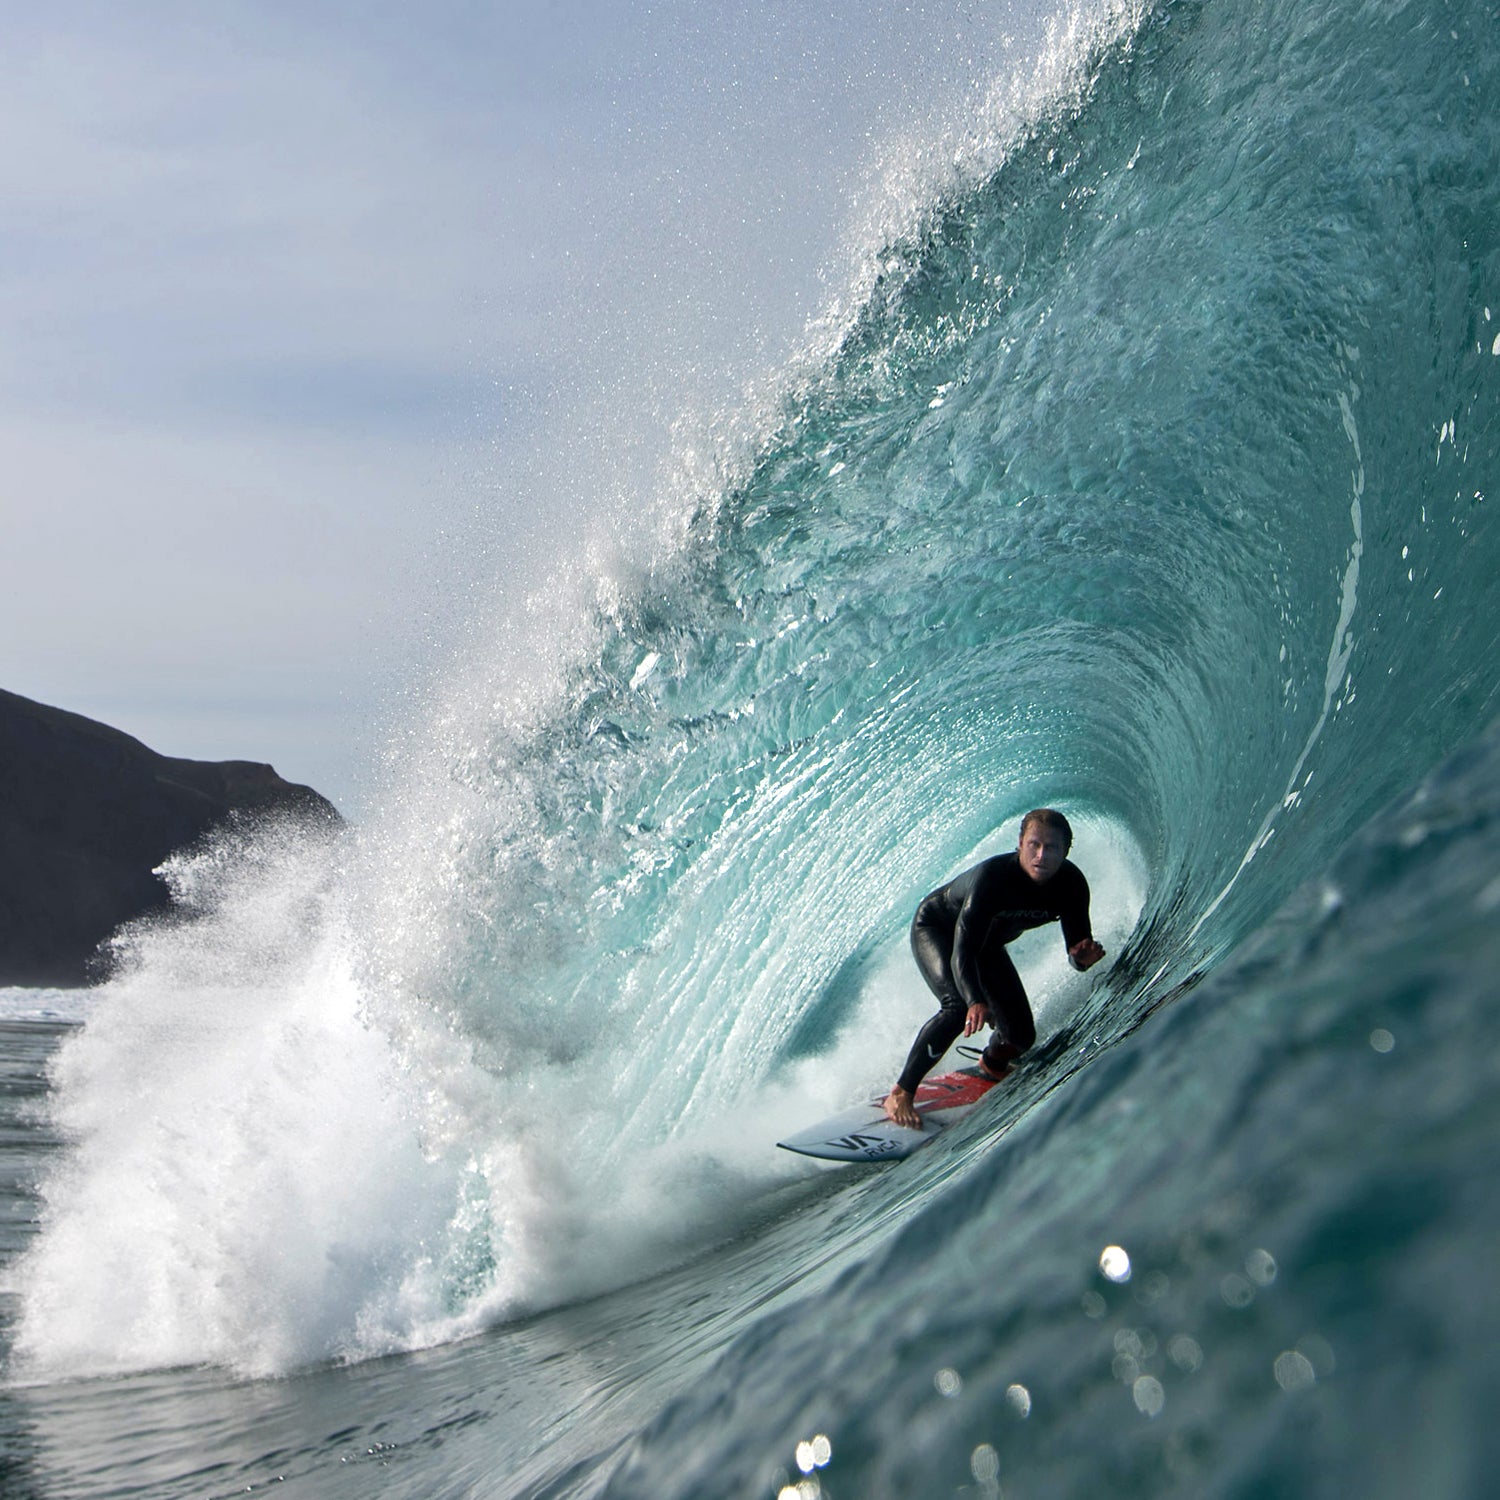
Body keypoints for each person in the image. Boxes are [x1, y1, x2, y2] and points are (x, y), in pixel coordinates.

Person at [882, 808, 1105, 1130]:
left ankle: (991, 1064)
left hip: (985, 945)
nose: (1041, 855)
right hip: (939, 930)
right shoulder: (993, 879)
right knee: (957, 1009)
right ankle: (902, 1091)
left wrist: (1081, 960)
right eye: (1034, 845)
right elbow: (963, 951)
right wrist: (975, 1000)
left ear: (1066, 850)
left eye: (1052, 847)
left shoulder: (1071, 885)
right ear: (1020, 844)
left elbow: (1077, 951)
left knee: (1020, 1038)